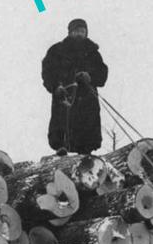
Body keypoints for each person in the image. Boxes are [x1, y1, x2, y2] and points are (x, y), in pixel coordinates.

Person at [41, 18, 109, 155]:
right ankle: (61, 152)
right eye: (77, 31)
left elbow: (102, 73)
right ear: (70, 32)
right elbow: (48, 72)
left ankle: (86, 158)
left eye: (82, 31)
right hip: (65, 97)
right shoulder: (57, 51)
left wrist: (90, 77)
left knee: (87, 136)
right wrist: (55, 87)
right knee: (62, 131)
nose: (80, 34)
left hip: (87, 100)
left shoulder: (92, 52)